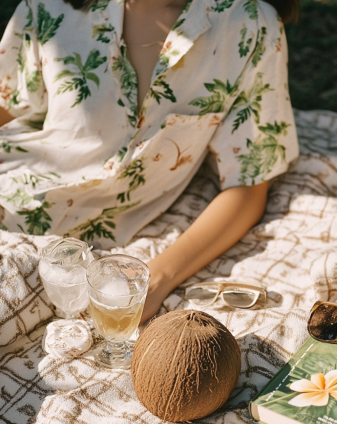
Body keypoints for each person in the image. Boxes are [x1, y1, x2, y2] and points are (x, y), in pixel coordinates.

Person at [0, 0, 300, 322]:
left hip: (80, 258)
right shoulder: (49, 6)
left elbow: (248, 186)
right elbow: (6, 104)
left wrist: (156, 279)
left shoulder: (249, 24)